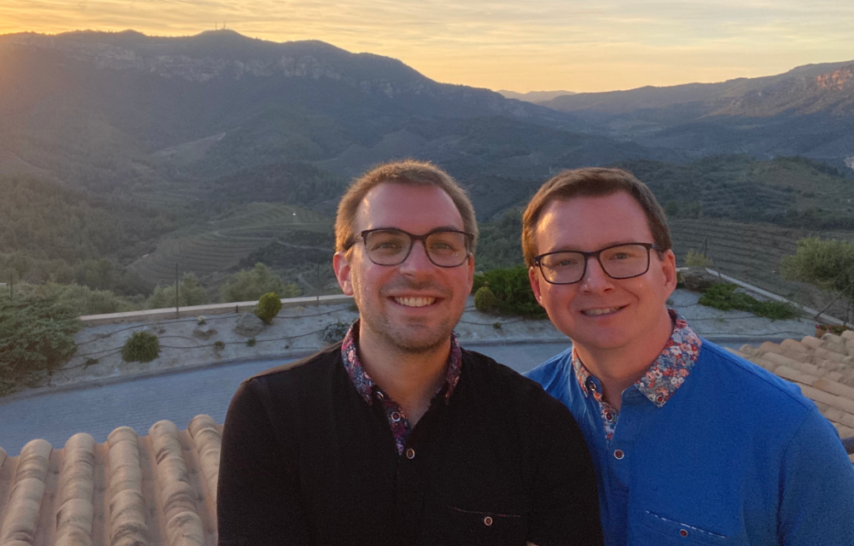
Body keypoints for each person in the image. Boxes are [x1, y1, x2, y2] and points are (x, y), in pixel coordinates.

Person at [218, 159, 603, 546]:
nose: (418, 268)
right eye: (387, 244)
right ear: (345, 272)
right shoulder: (269, 416)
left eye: (443, 246)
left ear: (469, 272)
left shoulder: (537, 425)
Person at [524, 167, 854, 545]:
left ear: (667, 272)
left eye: (621, 255)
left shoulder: (789, 434)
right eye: (564, 261)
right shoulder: (520, 414)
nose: (595, 283)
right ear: (538, 286)